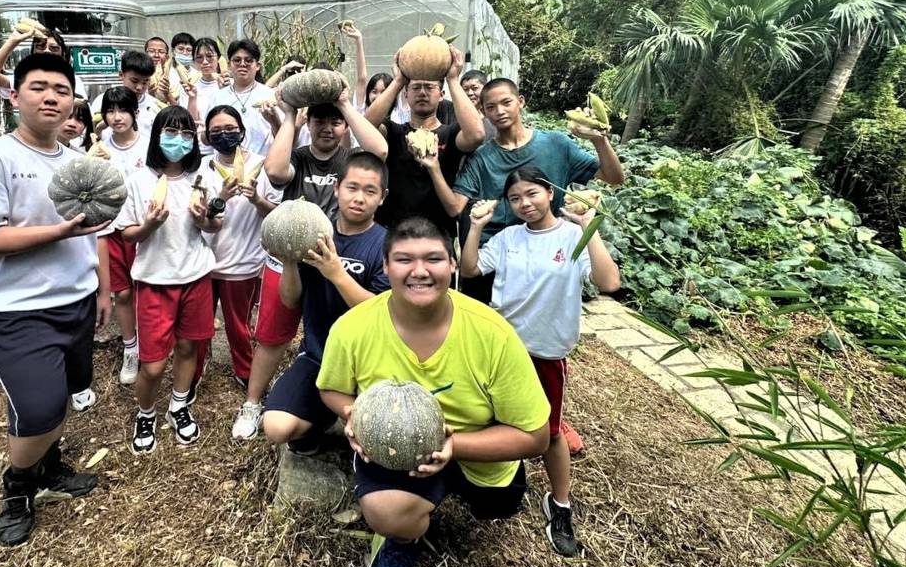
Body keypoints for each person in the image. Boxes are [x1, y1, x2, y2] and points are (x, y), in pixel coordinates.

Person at [317, 217, 551, 567]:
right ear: (385, 266)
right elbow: (332, 390)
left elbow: (536, 437)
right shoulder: (353, 326)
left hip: (476, 446)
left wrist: (453, 446)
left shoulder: (493, 334)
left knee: (497, 507)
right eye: (404, 259)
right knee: (385, 512)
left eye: (433, 259)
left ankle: (453, 488)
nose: (419, 271)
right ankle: (403, 538)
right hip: (396, 448)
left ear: (453, 264)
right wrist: (355, 415)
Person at [0, 53, 106, 546]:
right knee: (38, 407)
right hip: (15, 308)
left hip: (75, 299)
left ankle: (49, 465)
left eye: (61, 88)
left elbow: (93, 230)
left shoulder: (78, 163)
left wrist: (97, 283)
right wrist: (57, 232)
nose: (51, 96)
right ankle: (17, 489)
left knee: (63, 393)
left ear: (73, 100)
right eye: (38, 87)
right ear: (14, 97)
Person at [460, 167, 619, 557]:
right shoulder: (510, 237)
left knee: (548, 432)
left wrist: (589, 227)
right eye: (515, 199)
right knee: (491, 419)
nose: (524, 204)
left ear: (550, 192)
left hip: (545, 352)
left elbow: (609, 282)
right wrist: (477, 226)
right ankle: (494, 483)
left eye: (532, 194)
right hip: (499, 348)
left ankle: (560, 504)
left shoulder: (571, 236)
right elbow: (469, 269)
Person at [241, 88, 389, 432]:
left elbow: (379, 151)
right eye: (320, 119)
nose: (328, 127)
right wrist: (291, 114)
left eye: (335, 122)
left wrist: (344, 106)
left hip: (341, 254)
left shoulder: (351, 162)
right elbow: (276, 172)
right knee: (273, 336)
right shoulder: (300, 155)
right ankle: (252, 402)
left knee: (340, 326)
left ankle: (329, 394)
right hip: (291, 258)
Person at [434, 77, 626, 303]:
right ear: (483, 111)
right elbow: (455, 205)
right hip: (496, 255)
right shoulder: (481, 158)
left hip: (546, 250)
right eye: (491, 107)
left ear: (520, 102)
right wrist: (433, 167)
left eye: (506, 102)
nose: (500, 111)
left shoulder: (556, 144)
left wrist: (599, 140)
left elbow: (613, 177)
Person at [260, 152, 391, 450]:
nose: (359, 198)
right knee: (276, 427)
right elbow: (290, 301)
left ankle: (342, 412)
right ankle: (320, 420)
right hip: (318, 356)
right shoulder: (312, 232)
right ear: (336, 188)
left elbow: (379, 312)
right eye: (352, 187)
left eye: (369, 191)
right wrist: (290, 261)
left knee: (381, 438)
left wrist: (336, 273)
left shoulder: (387, 244)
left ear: (382, 198)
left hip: (369, 364)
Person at [117, 106, 224, 454]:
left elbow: (213, 226)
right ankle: (145, 412)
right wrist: (150, 225)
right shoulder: (138, 181)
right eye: (170, 132)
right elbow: (128, 234)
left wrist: (204, 219)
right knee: (153, 364)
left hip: (195, 276)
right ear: (156, 135)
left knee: (190, 347)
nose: (178, 141)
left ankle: (179, 406)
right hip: (154, 282)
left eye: (185, 134)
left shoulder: (203, 178)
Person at [188, 106, 281, 439]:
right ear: (207, 135)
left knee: (239, 326)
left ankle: (245, 371)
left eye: (230, 128)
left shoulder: (261, 166)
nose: (224, 134)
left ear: (242, 130)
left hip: (243, 263)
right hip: (204, 262)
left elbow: (275, 212)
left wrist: (256, 198)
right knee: (198, 327)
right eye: (216, 130)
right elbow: (198, 218)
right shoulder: (200, 169)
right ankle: (194, 372)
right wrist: (220, 199)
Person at [365, 46, 485, 238]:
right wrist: (398, 81)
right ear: (405, 94)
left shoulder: (450, 133)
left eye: (429, 87)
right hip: (394, 233)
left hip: (438, 234)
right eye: (415, 87)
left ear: (441, 94)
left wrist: (453, 79)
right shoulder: (394, 132)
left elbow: (477, 134)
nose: (422, 92)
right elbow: (367, 125)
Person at [93, 87, 149, 386]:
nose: (116, 117)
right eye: (110, 111)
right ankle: (130, 346)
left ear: (135, 113)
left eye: (122, 110)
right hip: (111, 228)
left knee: (146, 289)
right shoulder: (99, 146)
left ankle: (152, 342)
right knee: (123, 292)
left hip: (141, 229)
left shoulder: (148, 146)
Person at [206, 39, 280, 155]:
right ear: (229, 65)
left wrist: (274, 122)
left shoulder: (270, 95)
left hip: (261, 165)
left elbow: (283, 137)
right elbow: (207, 137)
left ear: (257, 66)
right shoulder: (217, 97)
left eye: (249, 60)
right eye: (237, 60)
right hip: (225, 166)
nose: (242, 64)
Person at [0, 22, 88, 101]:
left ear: (63, 54)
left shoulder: (74, 80)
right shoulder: (24, 78)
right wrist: (12, 41)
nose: (47, 51)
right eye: (41, 46)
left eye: (54, 48)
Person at [91, 50, 163, 138]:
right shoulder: (102, 101)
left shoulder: (155, 106)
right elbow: (91, 134)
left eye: (145, 82)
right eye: (134, 81)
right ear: (121, 75)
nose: (139, 87)